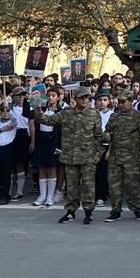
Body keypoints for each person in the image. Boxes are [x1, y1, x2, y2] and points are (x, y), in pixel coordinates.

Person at [34, 87, 103, 224]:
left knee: (88, 186)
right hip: (70, 157)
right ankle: (71, 212)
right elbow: (49, 120)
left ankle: (88, 212)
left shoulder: (94, 114)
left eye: (86, 97)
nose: (84, 99)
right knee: (71, 187)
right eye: (81, 97)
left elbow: (98, 137)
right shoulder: (66, 114)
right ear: (75, 99)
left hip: (88, 157)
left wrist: (98, 154)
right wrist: (38, 115)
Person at [103, 90, 140, 222]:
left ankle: (137, 209)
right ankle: (115, 211)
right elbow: (107, 132)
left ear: (131, 101)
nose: (121, 105)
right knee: (114, 186)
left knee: (132, 185)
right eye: (119, 102)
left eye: (124, 102)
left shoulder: (139, 117)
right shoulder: (114, 116)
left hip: (132, 157)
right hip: (115, 157)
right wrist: (106, 136)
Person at [30, 87, 64, 206]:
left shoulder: (61, 111)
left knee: (52, 168)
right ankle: (42, 196)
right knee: (42, 169)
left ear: (58, 97)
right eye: (49, 95)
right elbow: (33, 121)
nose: (50, 98)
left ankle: (50, 196)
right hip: (41, 141)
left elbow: (61, 131)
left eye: (54, 95)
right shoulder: (41, 109)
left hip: (53, 142)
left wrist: (59, 147)